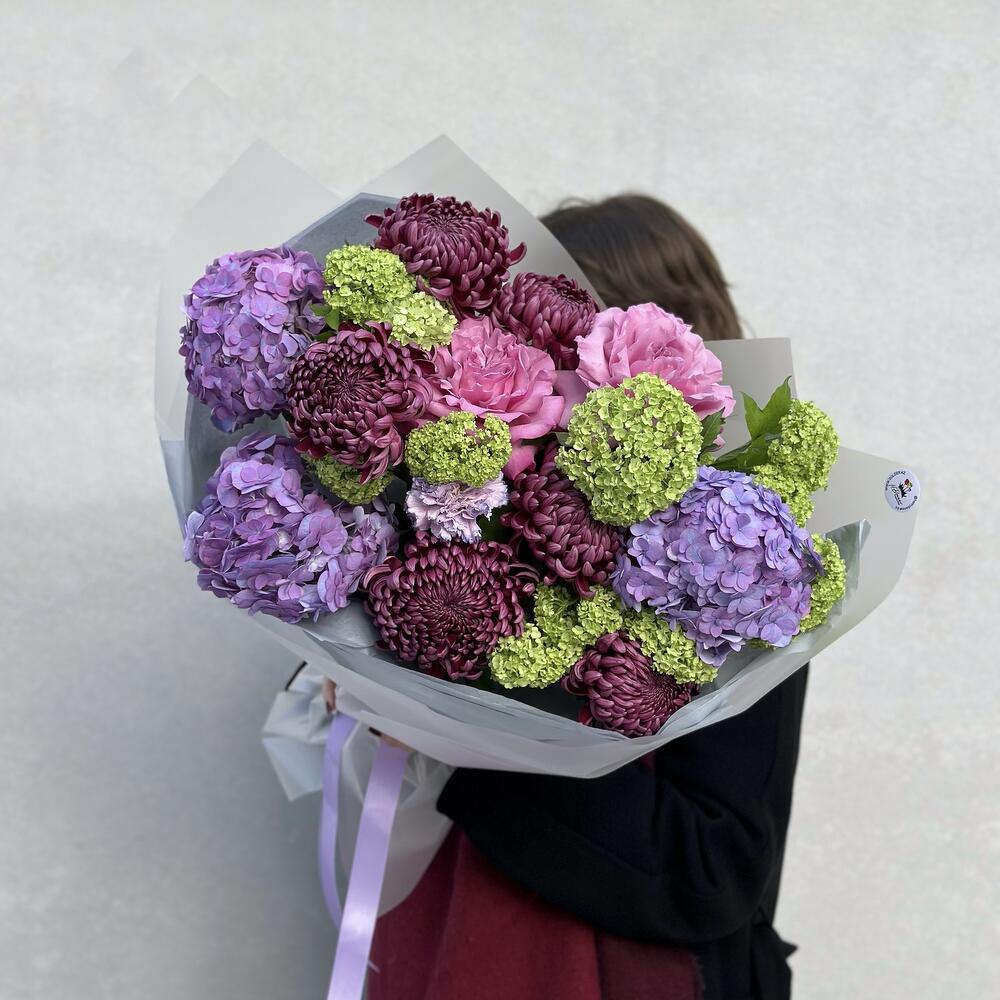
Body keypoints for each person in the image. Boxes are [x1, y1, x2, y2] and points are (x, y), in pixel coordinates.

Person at [343, 195, 808, 1000]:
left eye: (569, 349)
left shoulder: (745, 569)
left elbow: (711, 868)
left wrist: (465, 737)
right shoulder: (471, 531)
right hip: (452, 945)